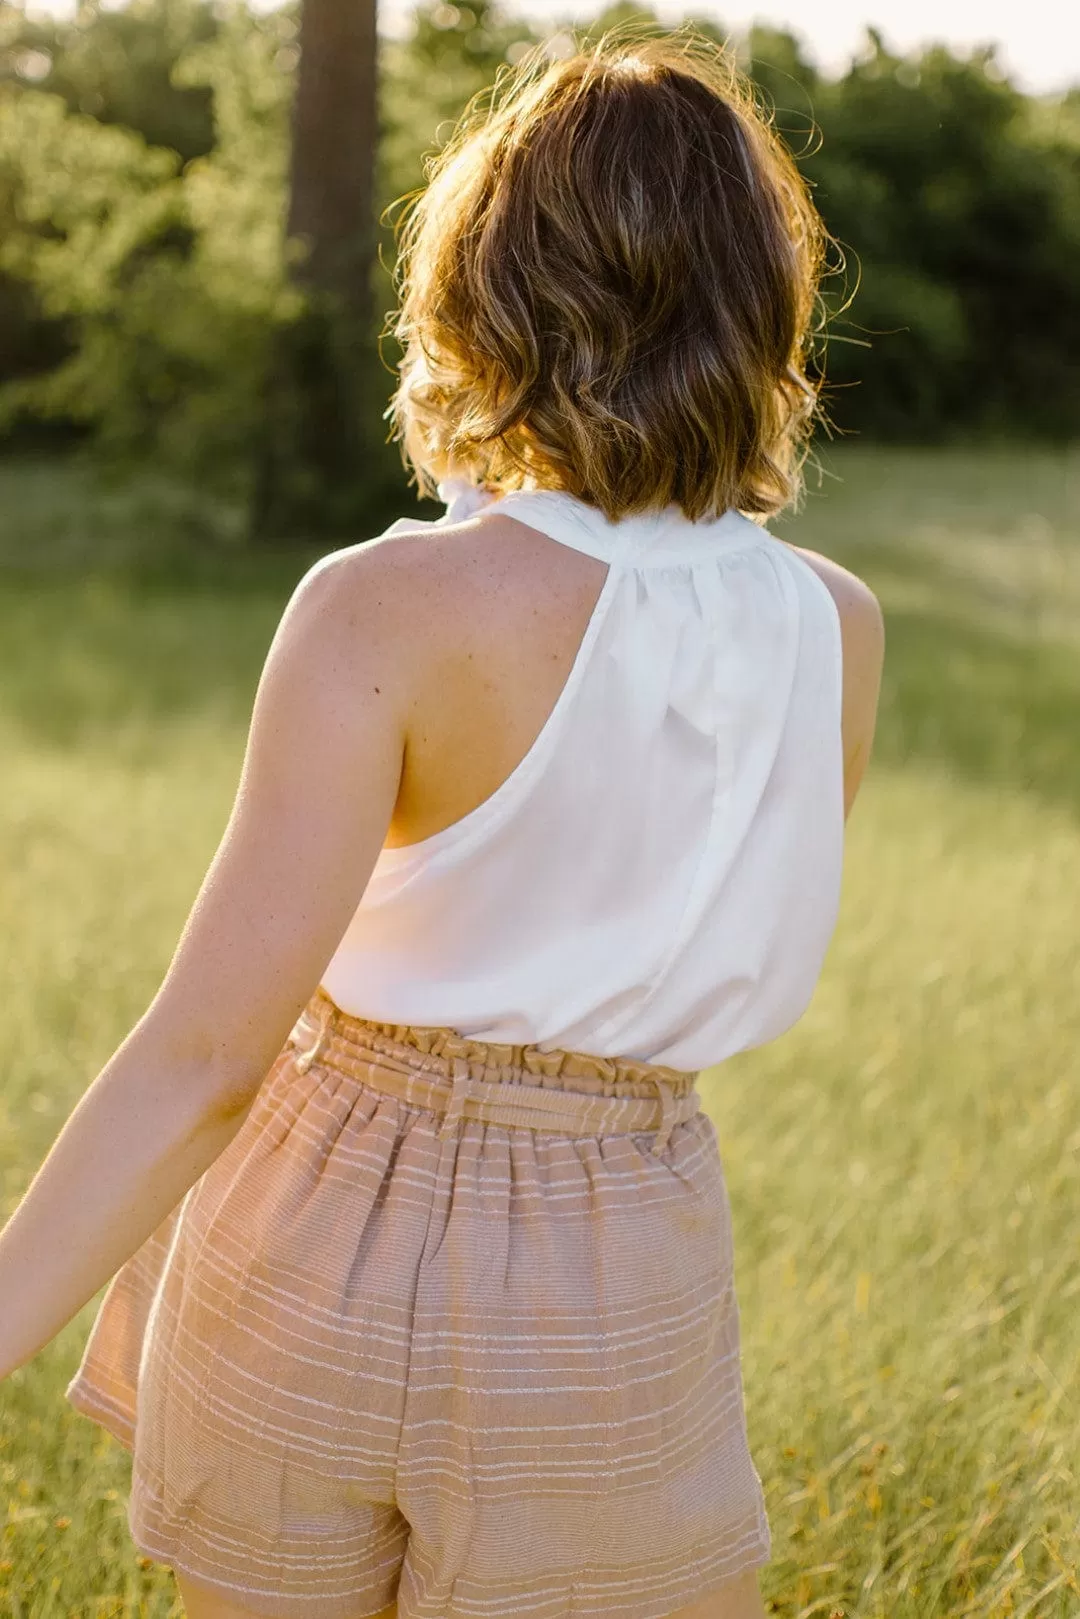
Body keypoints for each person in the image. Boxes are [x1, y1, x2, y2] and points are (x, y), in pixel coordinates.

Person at [0, 22, 885, 1619]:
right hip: (619, 1245)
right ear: (762, 304)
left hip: (322, 1209)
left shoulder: (386, 609)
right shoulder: (838, 628)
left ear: (484, 285)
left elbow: (206, 1061)